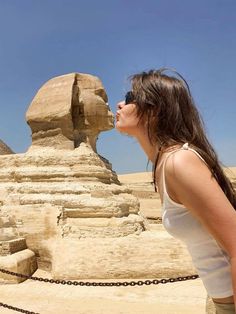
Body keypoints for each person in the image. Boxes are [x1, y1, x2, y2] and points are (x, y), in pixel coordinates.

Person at [115, 68, 236, 314]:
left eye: (129, 98)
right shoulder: (163, 163)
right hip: (219, 298)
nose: (119, 104)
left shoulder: (179, 162)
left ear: (155, 109)